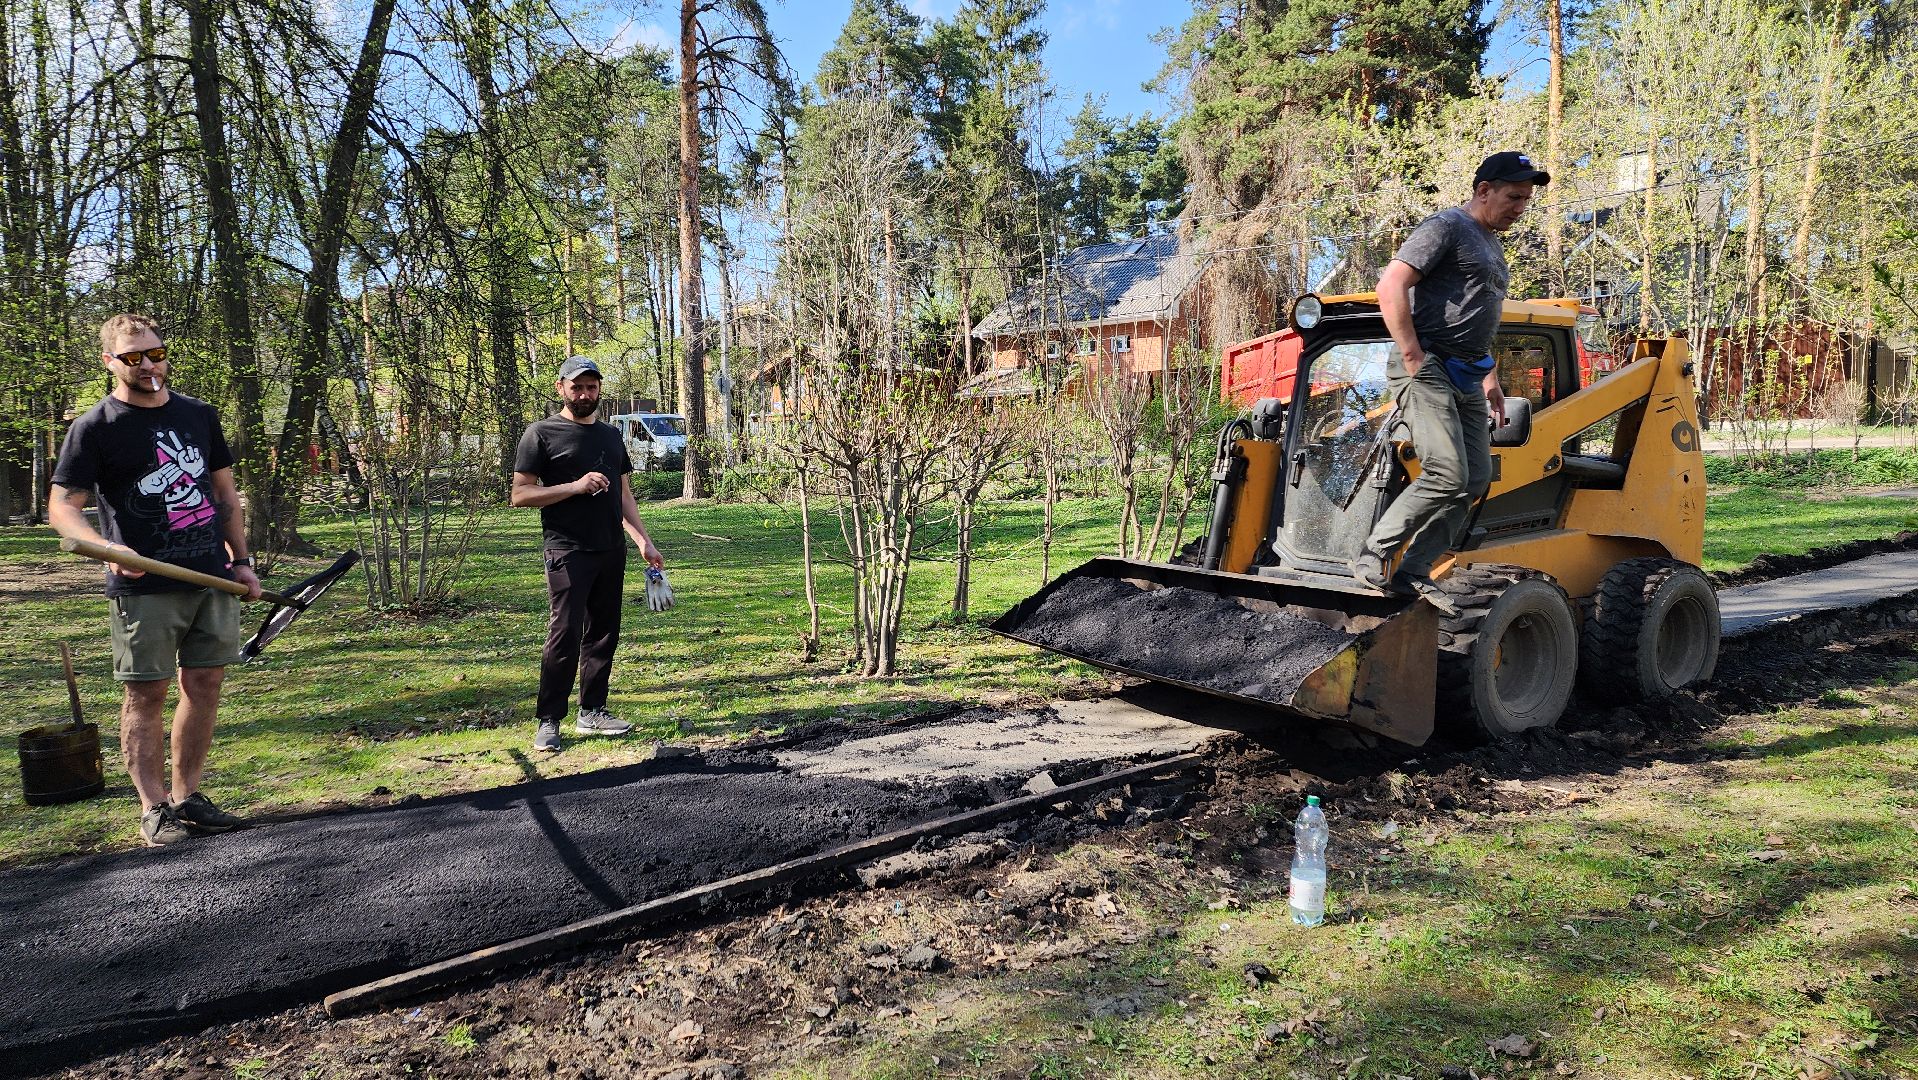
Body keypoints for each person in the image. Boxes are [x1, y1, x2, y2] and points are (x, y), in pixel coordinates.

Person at [48, 314, 263, 847]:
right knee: (146, 694)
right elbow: (62, 507)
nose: (147, 365)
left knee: (205, 684)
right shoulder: (96, 427)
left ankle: (188, 796)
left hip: (210, 576)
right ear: (110, 362)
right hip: (146, 584)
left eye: (156, 353)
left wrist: (242, 560)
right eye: (132, 357)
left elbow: (224, 495)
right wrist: (108, 548)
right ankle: (154, 808)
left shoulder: (197, 415)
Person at [1352, 151, 1551, 615]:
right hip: (1429, 367)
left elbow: (1479, 318)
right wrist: (1411, 354)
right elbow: (1390, 285)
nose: (1521, 207)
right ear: (1484, 190)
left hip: (1467, 372)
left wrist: (1491, 380)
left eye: (1526, 199)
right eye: (1514, 197)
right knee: (1447, 472)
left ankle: (1413, 569)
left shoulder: (1490, 243)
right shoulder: (1445, 227)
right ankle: (1374, 552)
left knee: (1476, 478)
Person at [511, 356, 666, 752]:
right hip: (566, 548)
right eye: (577, 387)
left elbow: (624, 496)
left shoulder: (611, 437)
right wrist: (575, 487)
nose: (584, 394)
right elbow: (521, 494)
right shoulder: (541, 433)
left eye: (591, 387)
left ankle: (593, 711)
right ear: (561, 387)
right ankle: (549, 720)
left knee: (603, 633)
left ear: (599, 390)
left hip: (610, 550)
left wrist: (642, 541)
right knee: (565, 632)